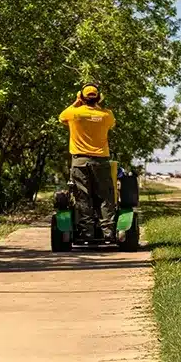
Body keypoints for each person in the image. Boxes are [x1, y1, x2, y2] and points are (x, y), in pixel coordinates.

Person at [59, 83, 117, 243]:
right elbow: (111, 125)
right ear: (98, 98)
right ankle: (108, 233)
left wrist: (77, 102)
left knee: (83, 197)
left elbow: (61, 117)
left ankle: (86, 233)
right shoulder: (107, 115)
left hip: (79, 161)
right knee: (106, 196)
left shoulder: (74, 113)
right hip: (101, 161)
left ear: (81, 97)